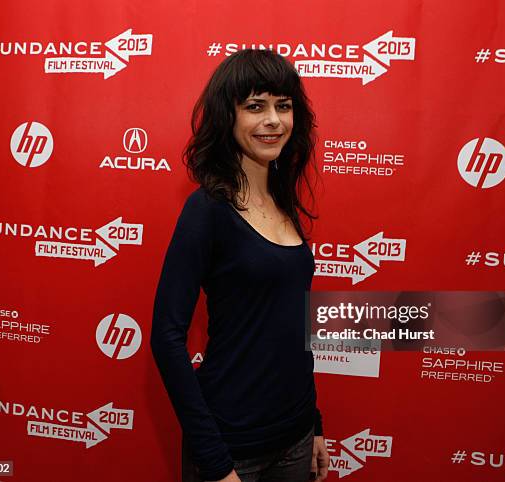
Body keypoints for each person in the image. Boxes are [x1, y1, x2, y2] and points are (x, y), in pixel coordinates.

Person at [150, 48, 329, 482]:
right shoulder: (208, 208)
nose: (273, 120)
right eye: (255, 106)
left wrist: (315, 423)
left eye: (283, 106)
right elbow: (166, 336)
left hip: (296, 437)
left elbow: (291, 325)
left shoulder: (285, 199)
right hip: (233, 450)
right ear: (227, 118)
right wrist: (214, 461)